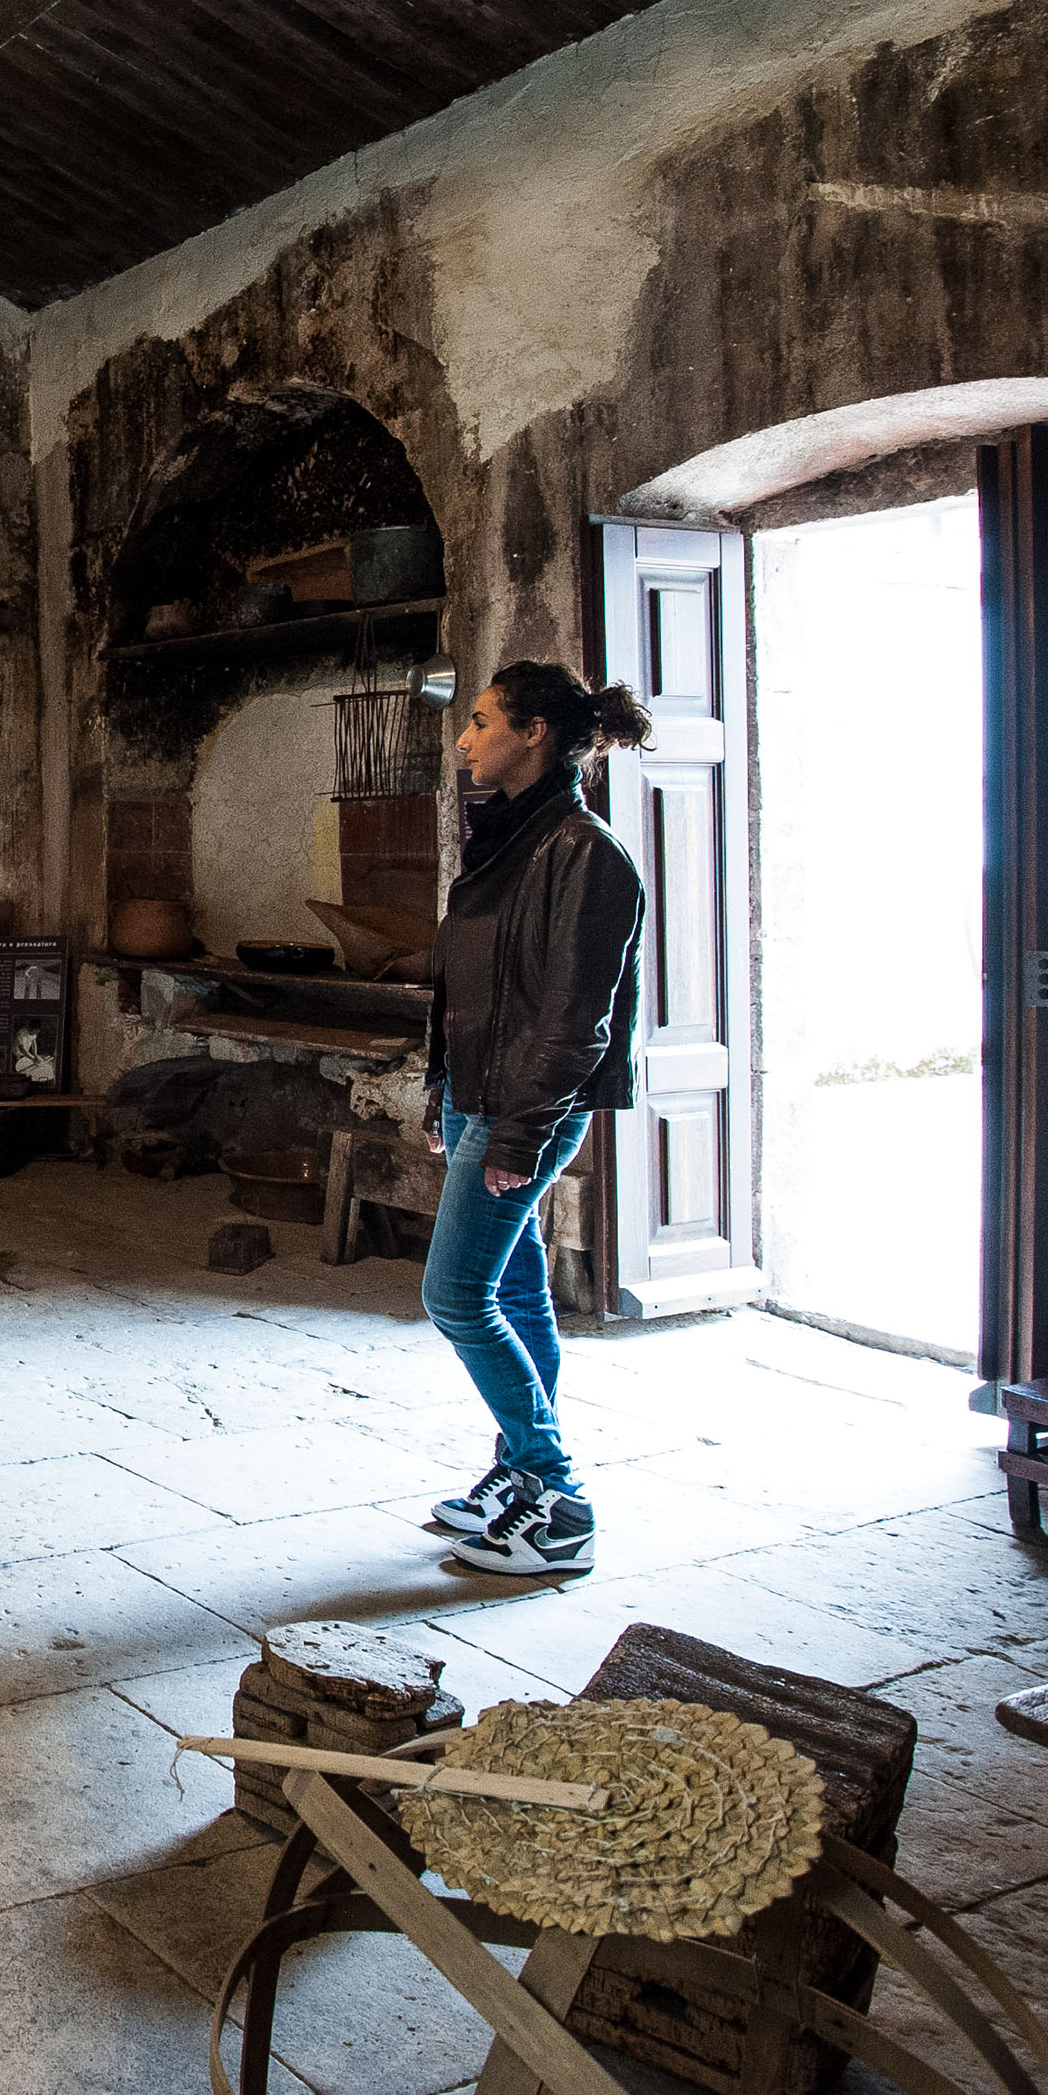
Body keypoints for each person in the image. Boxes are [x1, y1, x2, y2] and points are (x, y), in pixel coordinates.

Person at [417, 660, 651, 1575]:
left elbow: (574, 1017)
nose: (466, 738)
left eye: (481, 721)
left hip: (527, 1108)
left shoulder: (589, 855)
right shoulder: (508, 842)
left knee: (455, 1295)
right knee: (511, 1291)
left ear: (535, 733)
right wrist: (443, 1087)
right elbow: (464, 987)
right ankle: (518, 1478)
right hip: (482, 1096)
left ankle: (559, 1497)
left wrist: (515, 1132)